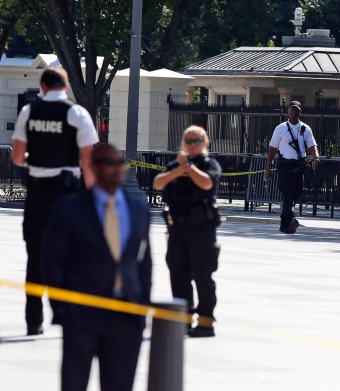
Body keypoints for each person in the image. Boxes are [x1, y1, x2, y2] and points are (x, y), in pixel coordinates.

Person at [43, 144, 152, 391]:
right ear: (92, 168)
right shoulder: (68, 209)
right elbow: (52, 262)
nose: (116, 169)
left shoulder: (139, 209)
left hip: (126, 315)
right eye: (108, 163)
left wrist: (141, 306)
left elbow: (145, 262)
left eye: (119, 163)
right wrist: (64, 309)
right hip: (82, 315)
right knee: (74, 383)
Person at [11, 67, 98, 336]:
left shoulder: (29, 112)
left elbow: (16, 157)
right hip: (67, 193)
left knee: (34, 257)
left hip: (38, 192)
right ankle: (65, 315)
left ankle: (33, 320)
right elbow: (87, 160)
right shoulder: (77, 113)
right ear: (66, 87)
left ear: (43, 86)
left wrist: (35, 161)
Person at [153, 125, 221, 337]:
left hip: (201, 229)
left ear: (205, 143)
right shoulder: (176, 165)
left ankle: (205, 322)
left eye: (197, 140)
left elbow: (207, 183)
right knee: (178, 274)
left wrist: (189, 169)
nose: (192, 144)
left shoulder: (209, 164)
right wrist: (178, 171)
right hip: (177, 229)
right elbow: (157, 183)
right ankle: (182, 320)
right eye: (188, 141)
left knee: (203, 275)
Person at [265, 101, 319, 234]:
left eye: (296, 110)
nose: (294, 112)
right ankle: (291, 218)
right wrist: (267, 169)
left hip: (298, 165)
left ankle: (286, 224)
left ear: (300, 112)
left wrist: (316, 157)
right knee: (287, 191)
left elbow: (312, 145)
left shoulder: (305, 128)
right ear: (288, 111)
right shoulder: (280, 128)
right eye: (291, 109)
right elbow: (272, 149)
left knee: (295, 192)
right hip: (284, 165)